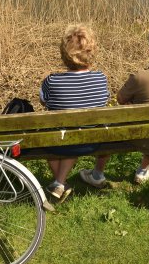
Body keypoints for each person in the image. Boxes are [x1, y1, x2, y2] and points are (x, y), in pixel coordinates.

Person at [80, 21, 149, 186]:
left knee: (117, 119)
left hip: (141, 139)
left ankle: (97, 174)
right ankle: (142, 170)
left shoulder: (141, 77)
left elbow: (120, 99)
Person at [40, 24, 109, 201]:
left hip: (59, 142)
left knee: (48, 135)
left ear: (64, 54)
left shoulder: (52, 81)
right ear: (91, 52)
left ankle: (59, 182)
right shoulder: (101, 79)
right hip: (92, 141)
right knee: (75, 133)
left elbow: (43, 101)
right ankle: (60, 182)